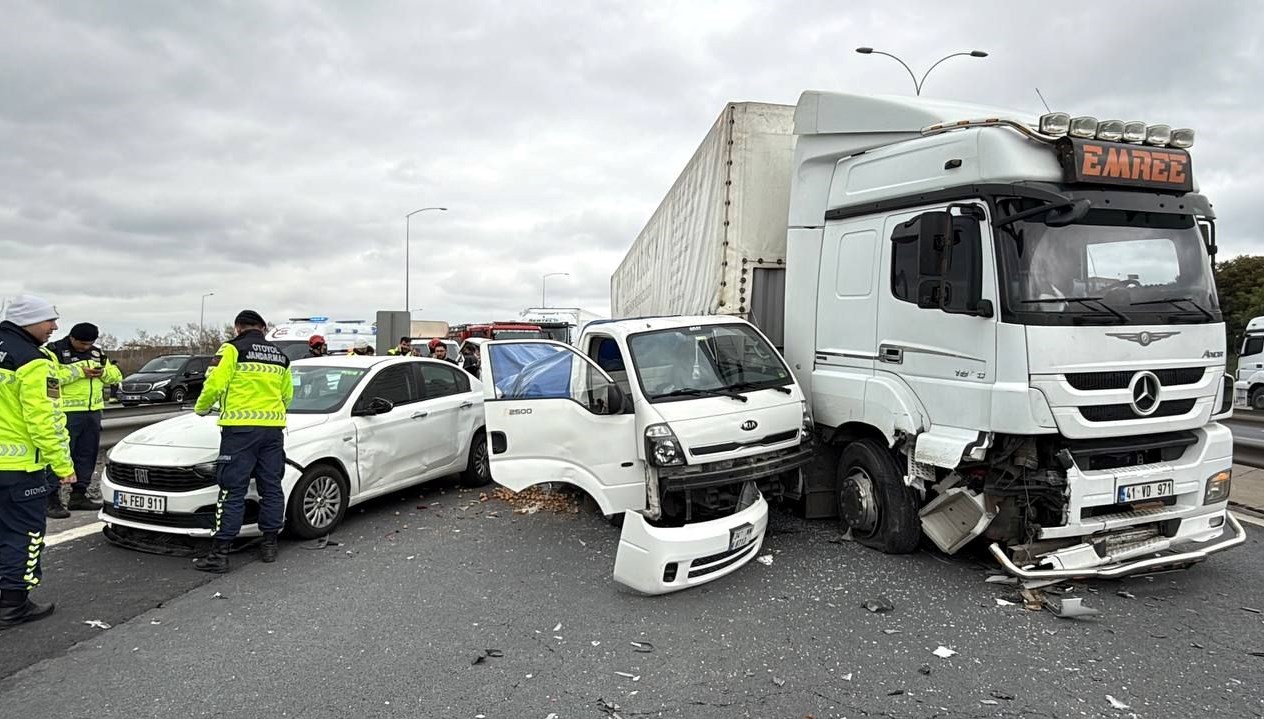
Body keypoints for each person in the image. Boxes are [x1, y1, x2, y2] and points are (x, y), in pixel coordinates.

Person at [192, 310, 293, 573]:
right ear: (263, 328)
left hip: (240, 431)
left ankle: (220, 554)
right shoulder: (280, 356)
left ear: (237, 328)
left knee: (232, 489)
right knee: (271, 486)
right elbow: (287, 395)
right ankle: (269, 545)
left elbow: (214, 383)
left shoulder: (231, 349)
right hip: (273, 430)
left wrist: (201, 408)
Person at [0, 294, 74, 628]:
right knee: (23, 535)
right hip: (19, 469)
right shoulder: (33, 361)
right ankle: (13, 605)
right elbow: (46, 421)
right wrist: (63, 466)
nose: (55, 327)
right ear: (27, 321)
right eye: (49, 320)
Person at [44, 322, 122, 516]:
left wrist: (103, 373)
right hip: (65, 412)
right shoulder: (53, 351)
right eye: (82, 344)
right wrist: (79, 372)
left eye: (89, 344)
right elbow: (49, 379)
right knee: (60, 455)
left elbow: (116, 376)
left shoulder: (97, 353)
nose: (85, 347)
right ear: (72, 338)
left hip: (92, 412)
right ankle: (50, 498)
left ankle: (79, 495)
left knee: (86, 454)